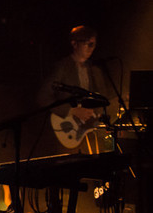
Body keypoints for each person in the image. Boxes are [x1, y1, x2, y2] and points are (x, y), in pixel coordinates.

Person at [37, 25, 113, 154]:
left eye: (93, 44)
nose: (91, 48)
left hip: (92, 131)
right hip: (69, 131)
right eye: (87, 43)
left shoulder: (95, 70)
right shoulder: (62, 67)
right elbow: (42, 97)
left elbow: (105, 100)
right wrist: (72, 111)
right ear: (74, 44)